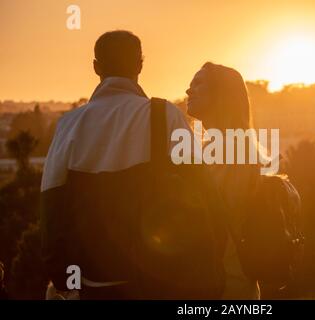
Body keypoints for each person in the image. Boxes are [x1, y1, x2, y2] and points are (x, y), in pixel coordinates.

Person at [41, 31, 225, 299]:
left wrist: (62, 277)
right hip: (161, 279)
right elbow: (206, 194)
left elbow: (52, 207)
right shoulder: (165, 116)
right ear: (140, 64)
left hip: (94, 282)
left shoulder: (69, 124)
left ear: (96, 67)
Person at [185, 62, 263, 299]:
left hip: (228, 285)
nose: (189, 91)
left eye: (198, 85)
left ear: (221, 95)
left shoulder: (234, 148)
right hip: (217, 282)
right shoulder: (215, 147)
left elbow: (209, 213)